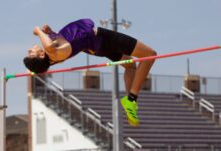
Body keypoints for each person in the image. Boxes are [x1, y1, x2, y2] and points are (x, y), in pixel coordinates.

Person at [24, 18, 157, 126]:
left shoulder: (52, 57)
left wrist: (51, 32)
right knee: (150, 55)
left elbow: (63, 41)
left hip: (97, 47)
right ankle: (132, 99)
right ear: (40, 56)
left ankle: (130, 105)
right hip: (103, 39)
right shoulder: (53, 52)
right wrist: (38, 31)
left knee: (131, 66)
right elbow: (50, 46)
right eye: (30, 53)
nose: (29, 50)